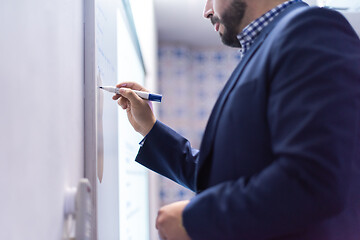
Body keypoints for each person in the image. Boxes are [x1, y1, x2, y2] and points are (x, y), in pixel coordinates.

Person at [113, 0, 360, 239]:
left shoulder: (311, 30)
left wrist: (197, 220)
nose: (206, 11)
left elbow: (313, 179)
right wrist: (151, 130)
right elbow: (228, 175)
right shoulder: (268, 45)